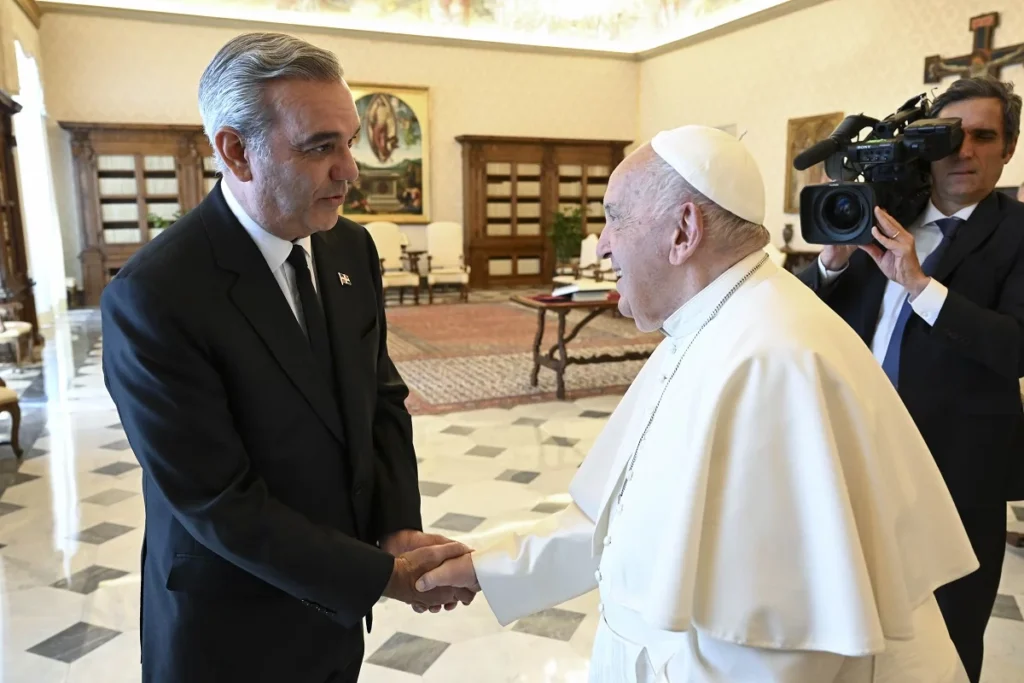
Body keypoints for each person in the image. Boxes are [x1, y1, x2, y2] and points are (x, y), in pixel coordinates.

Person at [415, 125, 979, 682]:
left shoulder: (772, 361)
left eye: (614, 218)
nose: (603, 244)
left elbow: (776, 645)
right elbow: (620, 519)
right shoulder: (713, 321)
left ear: (683, 231)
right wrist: (488, 566)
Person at [101, 33, 471, 683]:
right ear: (236, 152)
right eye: (320, 146)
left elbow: (380, 401)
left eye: (350, 142)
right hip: (229, 629)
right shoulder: (155, 295)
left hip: (334, 621)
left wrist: (396, 526)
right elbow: (217, 499)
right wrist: (379, 575)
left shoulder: (349, 249)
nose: (350, 170)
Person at [796, 76, 1024, 683]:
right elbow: (806, 312)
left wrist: (921, 287)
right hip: (854, 453)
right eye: (947, 136)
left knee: (950, 631)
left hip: (959, 470)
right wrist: (831, 263)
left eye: (983, 137)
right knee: (852, 615)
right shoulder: (878, 215)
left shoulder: (1017, 232)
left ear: (1009, 148)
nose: (963, 151)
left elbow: (1016, 346)